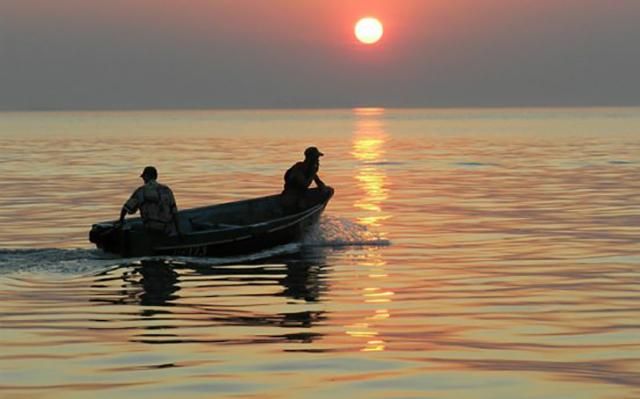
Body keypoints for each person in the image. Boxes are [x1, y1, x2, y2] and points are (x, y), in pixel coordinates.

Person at [118, 166, 181, 237]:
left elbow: (126, 208)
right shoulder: (167, 190)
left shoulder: (140, 191)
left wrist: (121, 220)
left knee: (133, 227)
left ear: (146, 177)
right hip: (167, 230)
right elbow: (174, 212)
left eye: (143, 177)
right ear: (155, 177)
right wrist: (179, 231)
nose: (143, 180)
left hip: (151, 229)